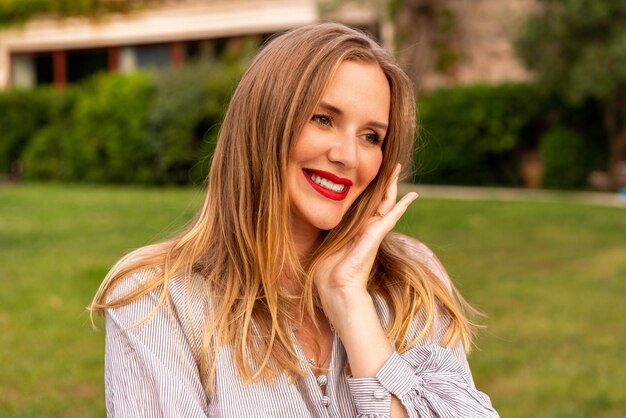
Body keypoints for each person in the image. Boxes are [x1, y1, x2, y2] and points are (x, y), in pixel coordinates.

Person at [90, 22, 498, 417]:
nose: (348, 156)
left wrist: (349, 302)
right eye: (323, 119)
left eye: (371, 136)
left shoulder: (410, 279)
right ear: (265, 123)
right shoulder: (157, 298)